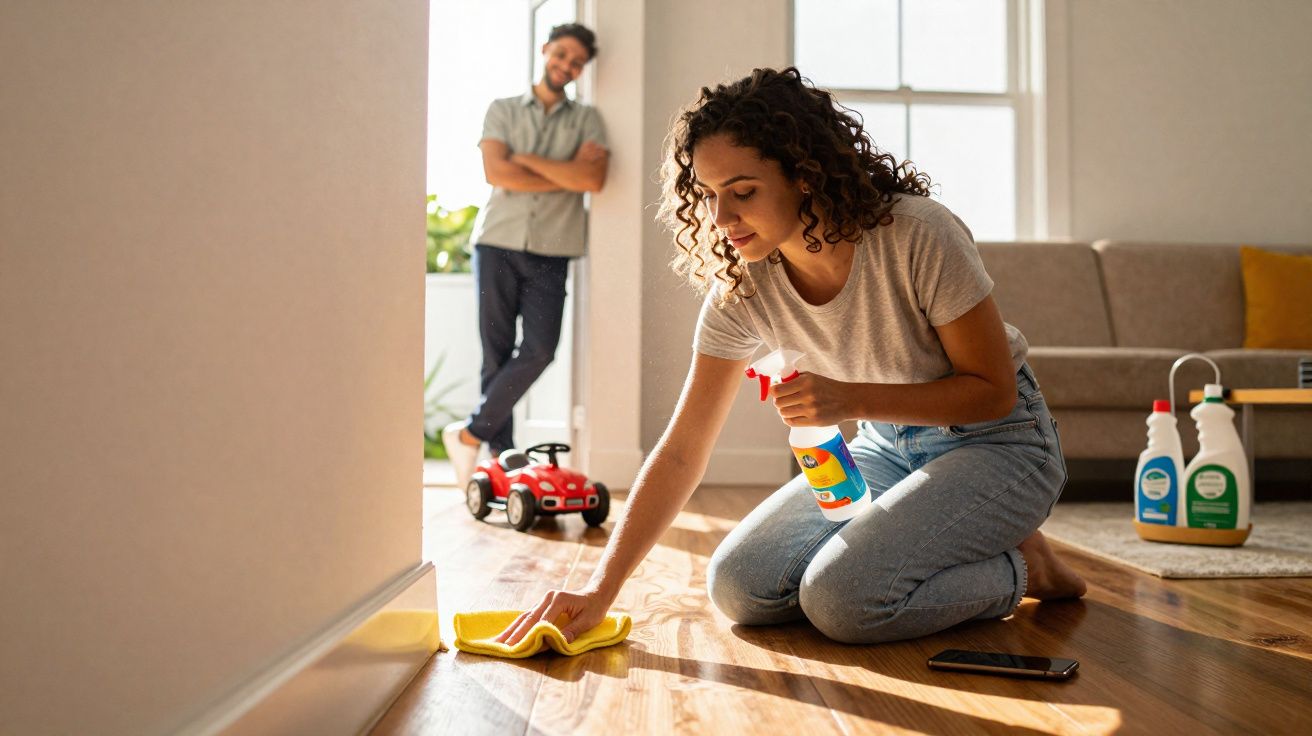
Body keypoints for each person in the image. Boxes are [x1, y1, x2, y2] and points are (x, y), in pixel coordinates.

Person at [496, 67, 1086, 647]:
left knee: (843, 601)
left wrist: (850, 397)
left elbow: (993, 391)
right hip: (888, 446)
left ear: (805, 175)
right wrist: (600, 591)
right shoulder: (744, 286)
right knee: (739, 587)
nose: (722, 220)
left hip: (1000, 443)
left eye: (743, 192)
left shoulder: (917, 235)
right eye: (709, 197)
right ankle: (958, 531)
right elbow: (681, 452)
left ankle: (1029, 570)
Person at [444, 23, 609, 489]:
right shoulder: (502, 109)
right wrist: (566, 170)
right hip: (496, 241)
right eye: (561, 55)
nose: (566, 66)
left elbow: (592, 181)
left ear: (582, 69)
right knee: (494, 351)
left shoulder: (588, 120)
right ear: (545, 50)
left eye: (576, 62)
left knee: (539, 349)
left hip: (553, 248)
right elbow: (496, 171)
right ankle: (502, 457)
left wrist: (526, 160)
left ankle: (471, 433)